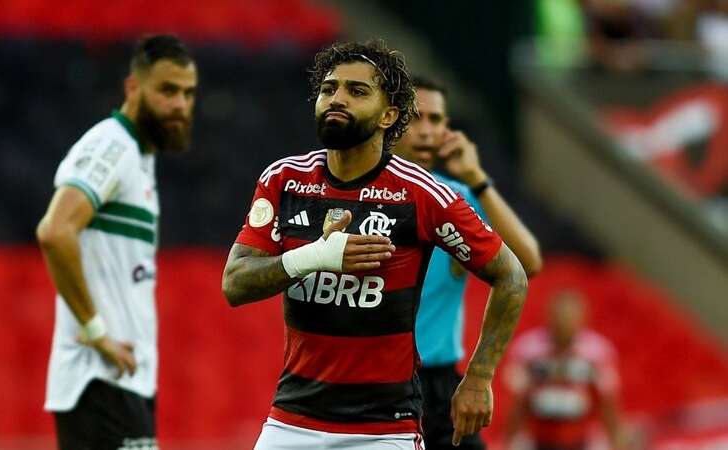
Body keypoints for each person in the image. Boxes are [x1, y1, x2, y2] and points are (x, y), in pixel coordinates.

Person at [222, 39, 529, 450]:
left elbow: (511, 276)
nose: (337, 98)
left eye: (357, 91)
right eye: (329, 89)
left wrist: (479, 376)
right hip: (291, 421)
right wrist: (315, 257)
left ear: (389, 115)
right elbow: (235, 284)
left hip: (383, 431)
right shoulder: (284, 180)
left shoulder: (422, 194)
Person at [36, 34, 197, 450]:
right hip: (99, 378)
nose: (180, 104)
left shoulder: (139, 158)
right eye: (167, 90)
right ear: (133, 88)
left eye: (188, 93)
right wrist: (95, 331)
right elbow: (55, 232)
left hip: (122, 377)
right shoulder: (112, 145)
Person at [394, 76, 543, 450]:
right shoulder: (360, 197)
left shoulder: (457, 200)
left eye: (437, 120)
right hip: (377, 381)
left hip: (440, 384)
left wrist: (477, 180)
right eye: (416, 118)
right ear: (388, 120)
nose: (427, 131)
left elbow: (527, 263)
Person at [504, 292, 624, 450]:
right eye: (560, 318)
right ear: (549, 317)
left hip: (580, 437)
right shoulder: (528, 350)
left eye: (570, 318)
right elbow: (519, 401)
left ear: (583, 319)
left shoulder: (598, 353)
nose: (564, 324)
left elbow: (607, 402)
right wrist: (509, 440)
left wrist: (616, 440)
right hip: (539, 436)